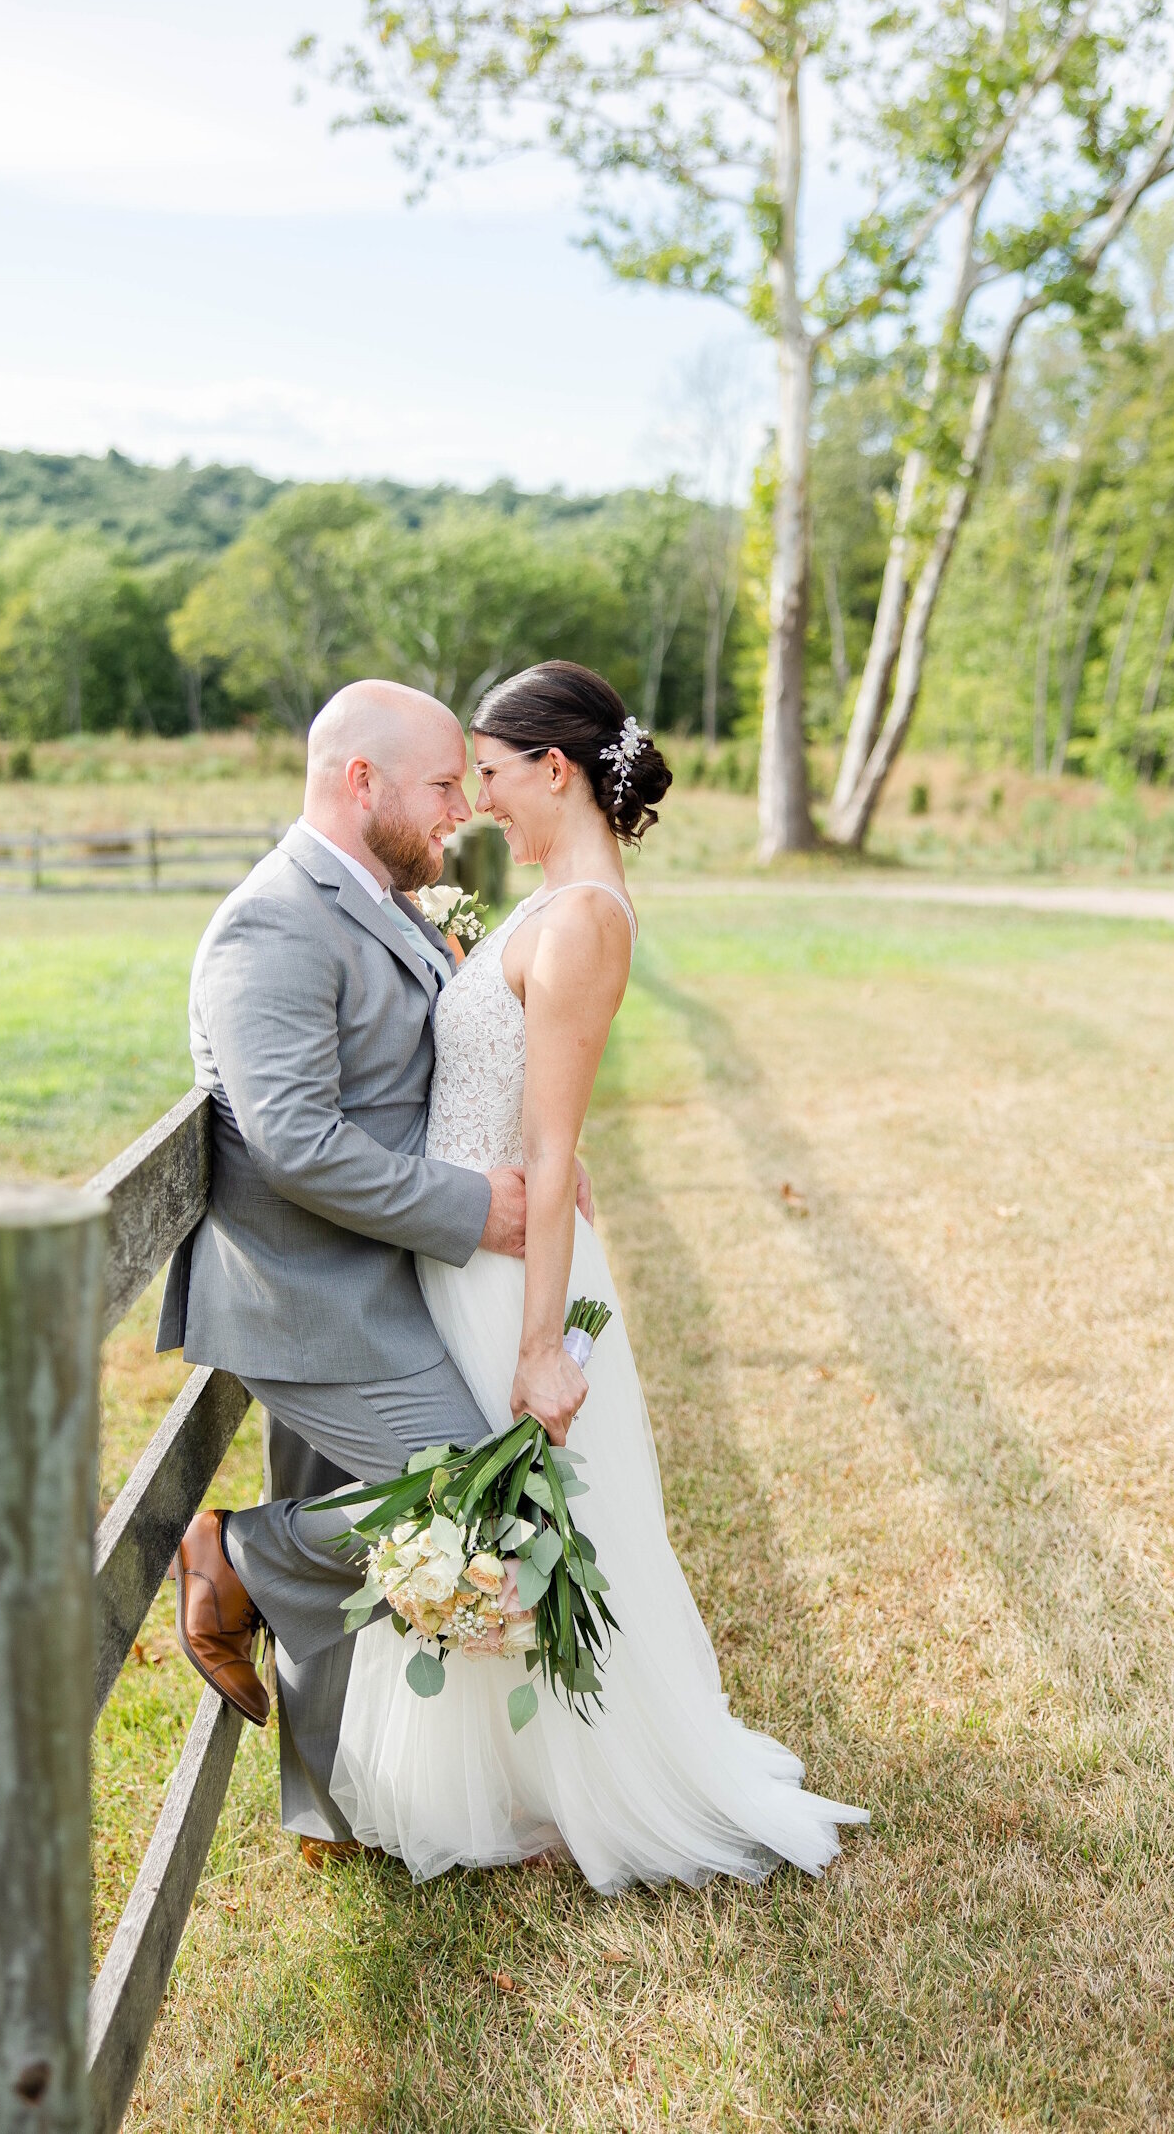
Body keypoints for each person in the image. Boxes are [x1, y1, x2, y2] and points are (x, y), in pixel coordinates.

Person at [329, 661, 868, 1889]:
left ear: (557, 769)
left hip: (504, 1275)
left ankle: (593, 1787)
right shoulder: (553, 904)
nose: (480, 802)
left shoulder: (581, 921)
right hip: (470, 1245)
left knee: (532, 1516)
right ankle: (514, 1778)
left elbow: (552, 1142)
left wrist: (538, 1348)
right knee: (497, 1518)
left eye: (493, 775)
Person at [161, 678, 589, 1858]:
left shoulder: (381, 901)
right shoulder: (271, 924)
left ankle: (336, 1809)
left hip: (377, 1270)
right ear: (362, 782)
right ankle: (236, 1556)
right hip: (308, 1293)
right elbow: (296, 1143)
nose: (462, 807)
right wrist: (475, 1209)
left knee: (375, 1518)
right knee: (486, 1497)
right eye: (444, 784)